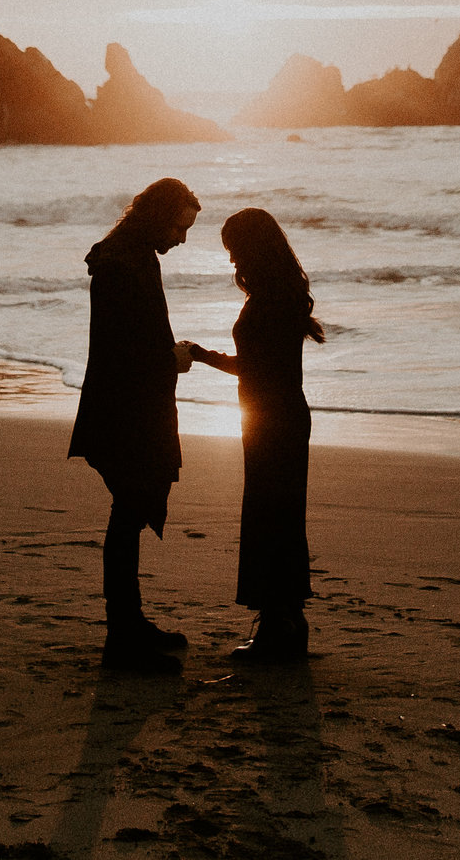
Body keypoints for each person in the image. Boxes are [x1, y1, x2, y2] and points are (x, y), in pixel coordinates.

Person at [68, 176, 202, 674]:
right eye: (180, 226)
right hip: (123, 412)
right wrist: (171, 359)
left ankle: (129, 623)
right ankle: (122, 637)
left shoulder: (130, 252)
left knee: (128, 515)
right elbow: (123, 353)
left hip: (124, 407)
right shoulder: (122, 263)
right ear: (158, 216)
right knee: (127, 517)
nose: (183, 239)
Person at [184, 207, 323, 664]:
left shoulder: (271, 299)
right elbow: (263, 365)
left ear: (253, 249)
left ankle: (276, 628)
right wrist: (205, 356)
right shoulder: (279, 292)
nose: (231, 262)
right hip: (276, 412)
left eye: (235, 250)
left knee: (269, 516)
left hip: (271, 416)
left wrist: (205, 358)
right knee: (279, 514)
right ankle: (287, 623)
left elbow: (259, 368)